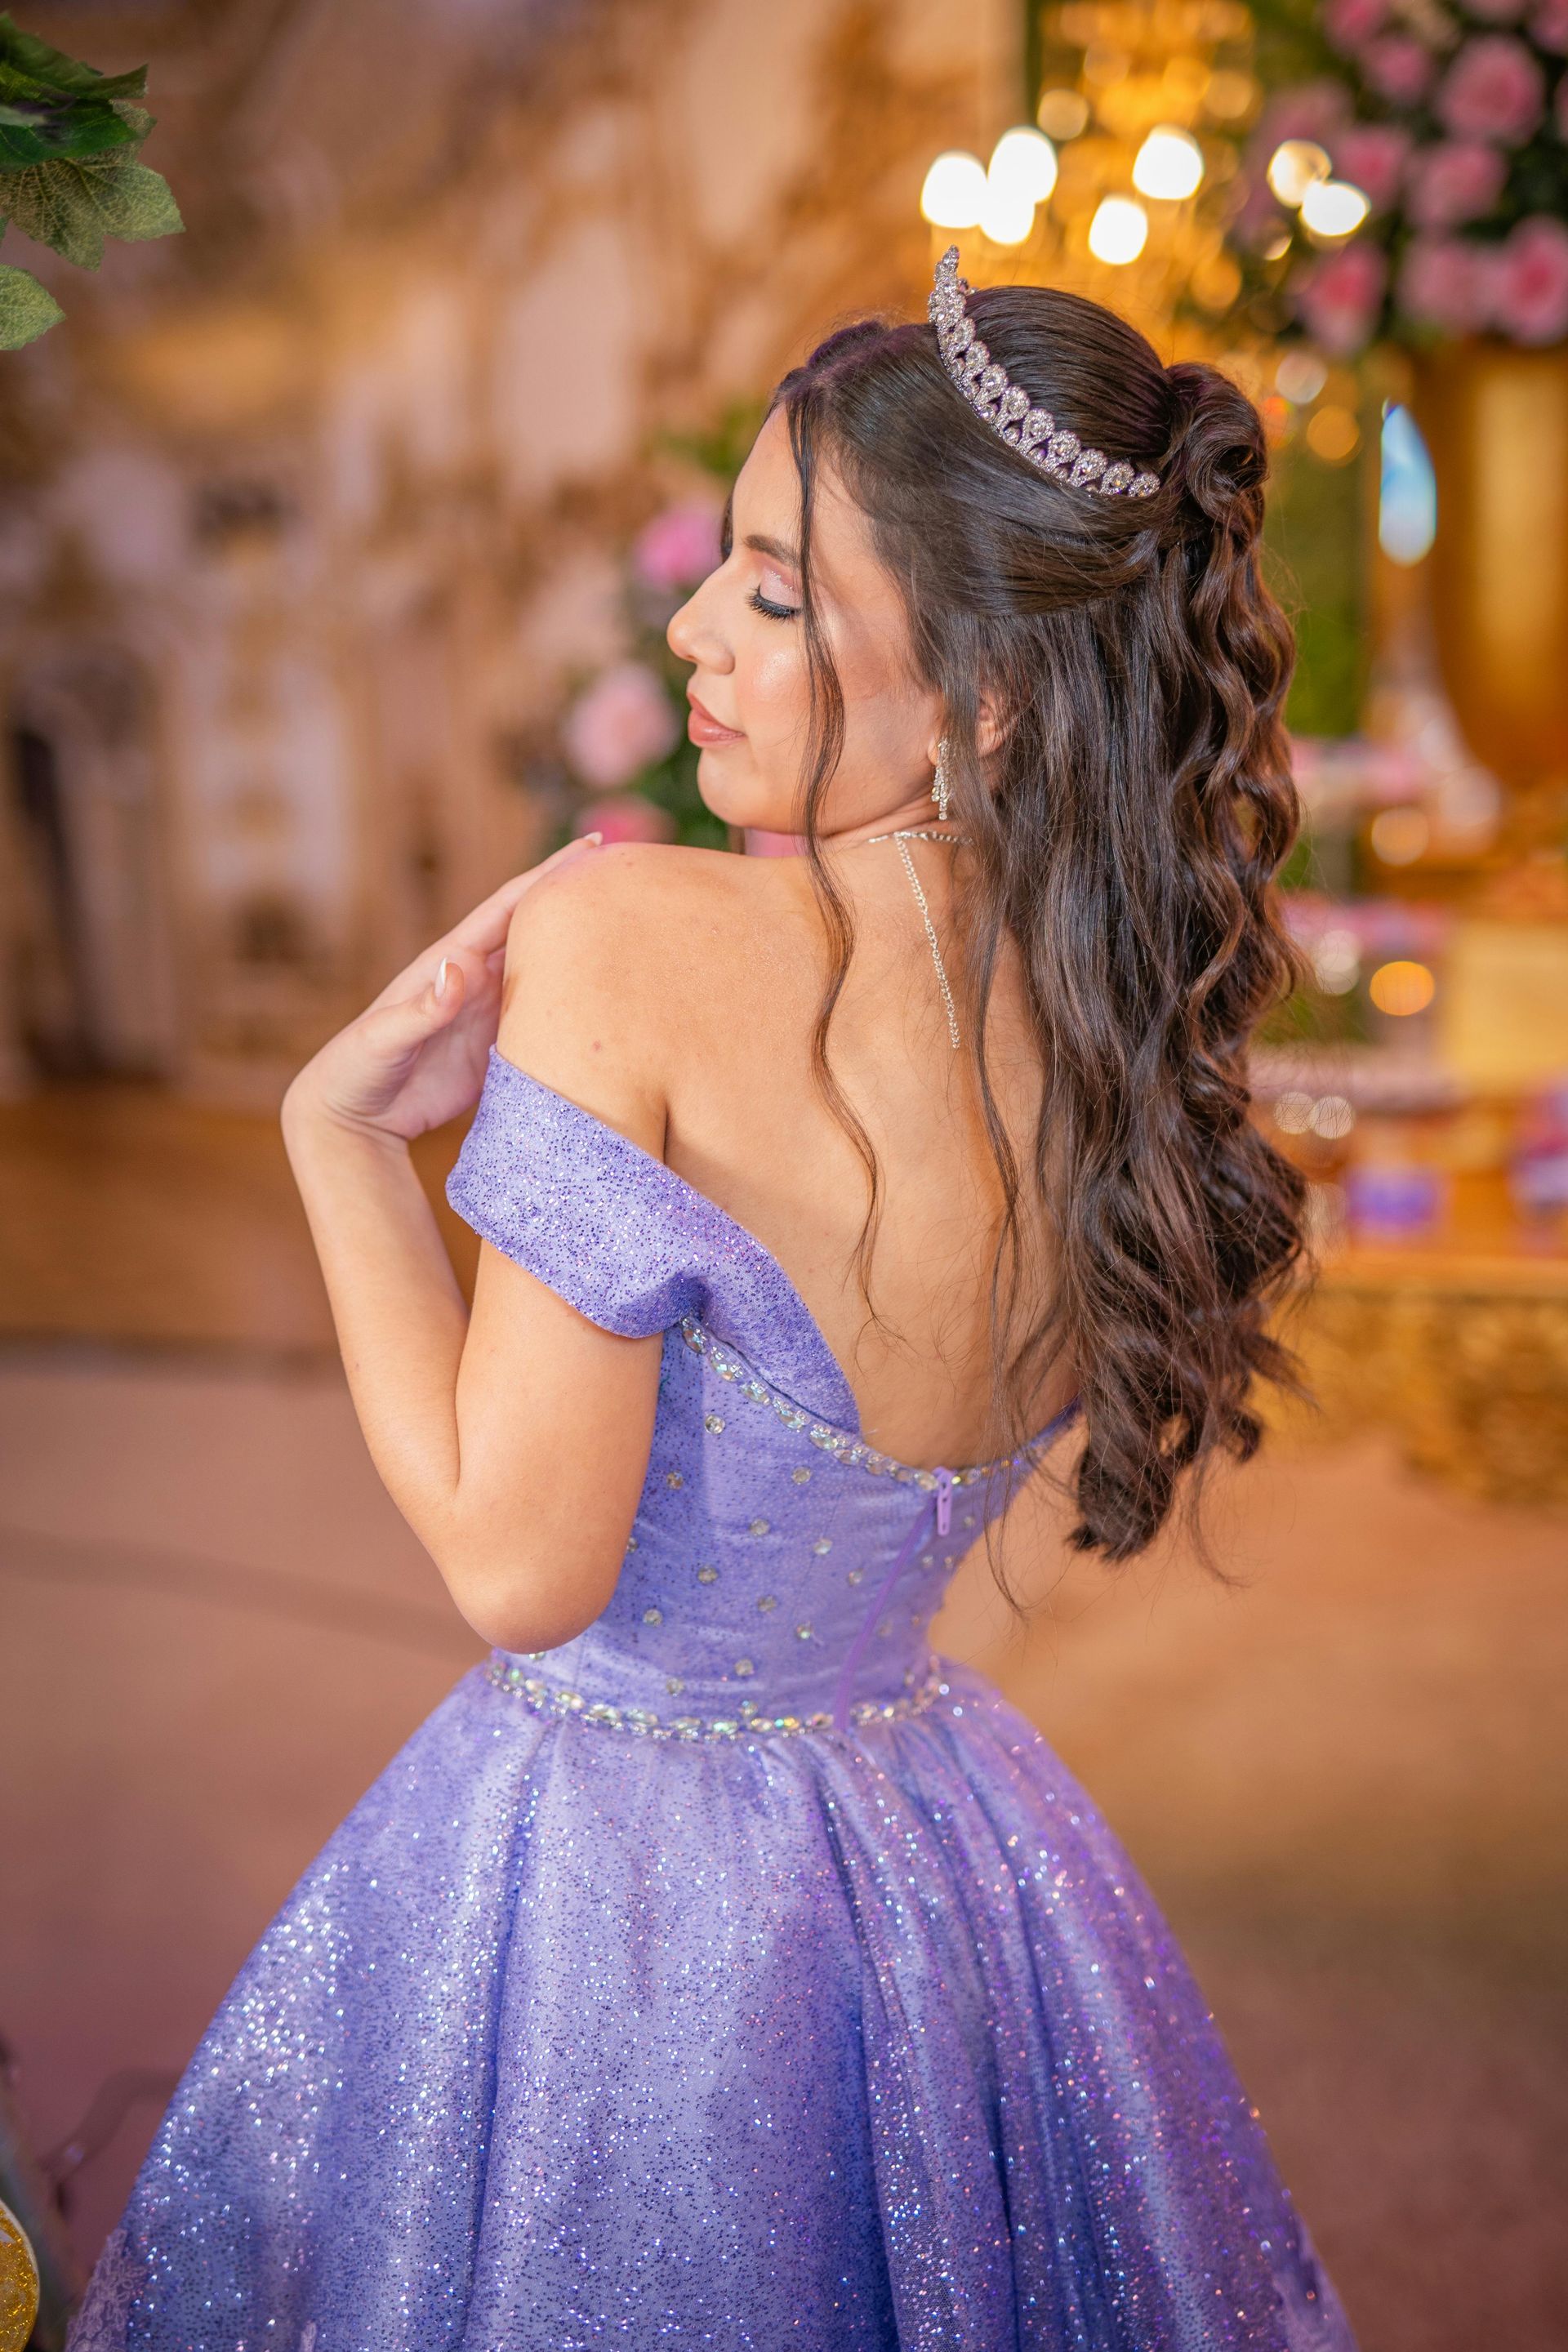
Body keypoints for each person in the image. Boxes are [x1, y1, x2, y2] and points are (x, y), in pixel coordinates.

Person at [71, 252, 1354, 2350]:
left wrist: (335, 1141)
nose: (689, 628)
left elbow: (520, 1562)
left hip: (616, 1882)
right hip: (942, 1842)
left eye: (771, 590)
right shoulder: (1125, 1029)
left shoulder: (629, 935)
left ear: (989, 687)